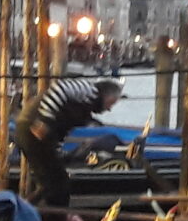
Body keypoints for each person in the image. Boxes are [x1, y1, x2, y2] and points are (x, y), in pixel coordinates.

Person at [15, 75, 125, 209]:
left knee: (53, 183)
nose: (109, 108)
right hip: (32, 129)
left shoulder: (85, 109)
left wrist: (59, 151)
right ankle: (46, 219)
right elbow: (58, 89)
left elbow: (61, 130)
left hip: (36, 135)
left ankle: (37, 215)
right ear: (107, 95)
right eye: (111, 103)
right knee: (57, 184)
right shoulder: (88, 89)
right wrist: (44, 121)